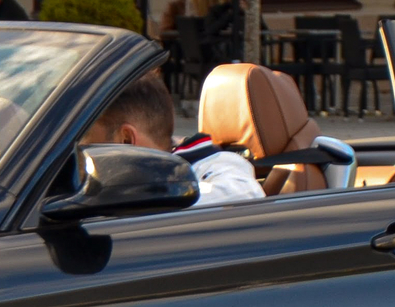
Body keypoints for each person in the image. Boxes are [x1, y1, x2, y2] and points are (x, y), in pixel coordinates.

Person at [81, 69, 264, 205]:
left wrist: (145, 193)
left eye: (90, 148)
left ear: (127, 141)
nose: (83, 159)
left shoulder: (216, 164)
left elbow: (244, 195)